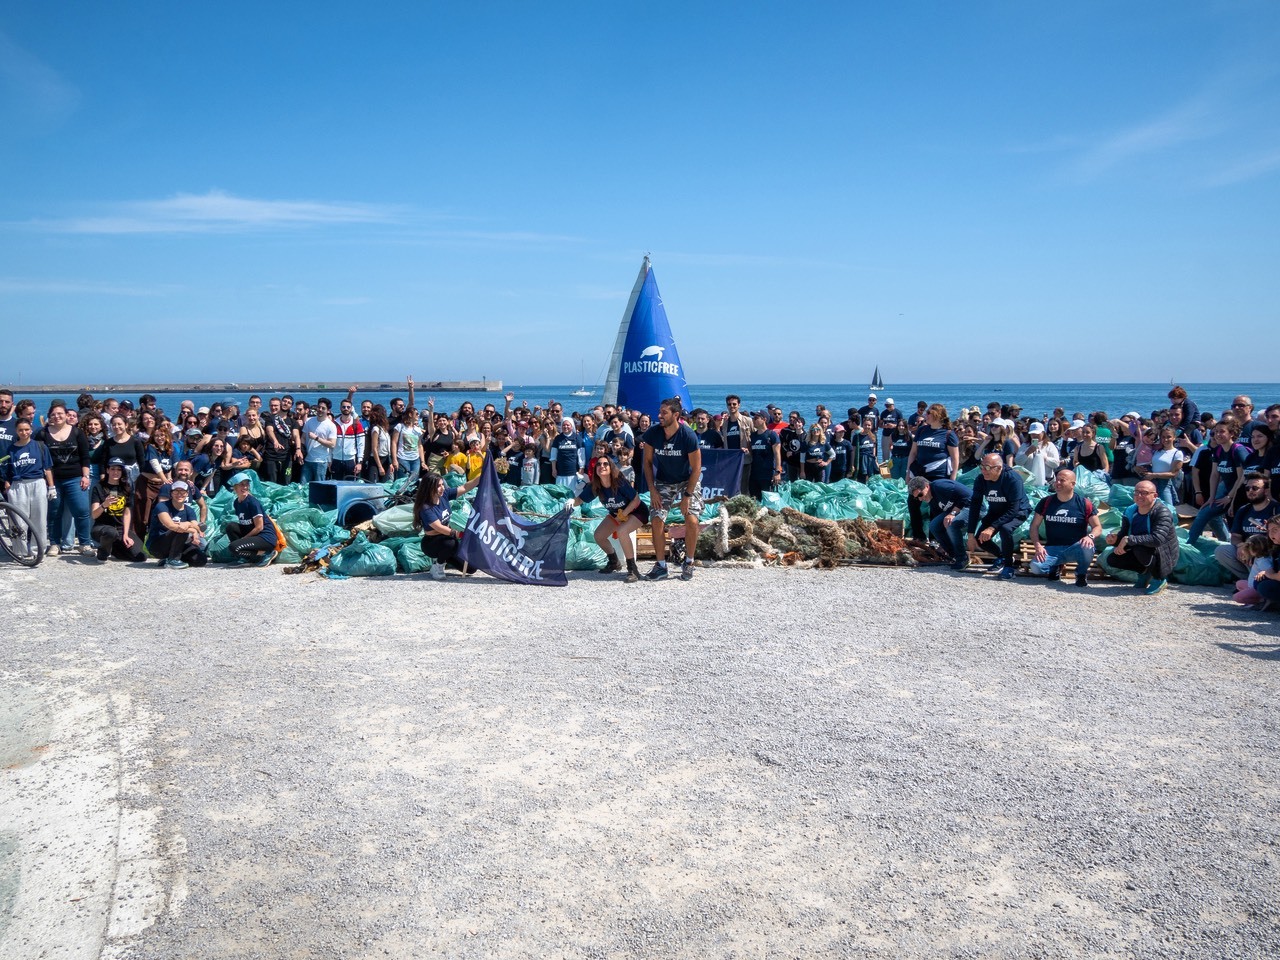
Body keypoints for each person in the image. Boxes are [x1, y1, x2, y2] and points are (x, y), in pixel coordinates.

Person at [641, 397, 703, 581]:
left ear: (676, 415)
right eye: (659, 412)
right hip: (664, 481)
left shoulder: (687, 435)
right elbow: (647, 462)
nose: (659, 415)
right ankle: (661, 565)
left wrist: (687, 496)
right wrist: (652, 490)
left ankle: (689, 562)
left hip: (687, 481)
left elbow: (697, 468)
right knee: (657, 519)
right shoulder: (653, 433)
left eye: (664, 412)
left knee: (691, 520)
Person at [564, 455, 650, 582]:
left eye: (605, 464)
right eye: (598, 464)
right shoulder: (596, 486)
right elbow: (581, 499)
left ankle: (633, 570)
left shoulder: (619, 481)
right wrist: (572, 501)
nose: (602, 466)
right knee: (599, 535)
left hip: (636, 511)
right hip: (617, 514)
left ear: (611, 467)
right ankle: (614, 562)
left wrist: (624, 514)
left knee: (622, 531)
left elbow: (636, 499)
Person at [1027, 466, 1103, 587]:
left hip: (1075, 547)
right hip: (1053, 548)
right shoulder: (1046, 502)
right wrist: (1038, 546)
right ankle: (1055, 566)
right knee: (1036, 568)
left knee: (1088, 547)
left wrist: (1090, 536)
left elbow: (1097, 527)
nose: (1058, 483)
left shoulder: (1084, 503)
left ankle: (1081, 574)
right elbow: (1034, 526)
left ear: (1072, 484)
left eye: (1062, 480)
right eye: (1057, 480)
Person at [35, 400, 93, 556]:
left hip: (76, 477)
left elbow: (85, 456)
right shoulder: (42, 433)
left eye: (60, 413)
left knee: (81, 510)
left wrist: (85, 476)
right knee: (54, 512)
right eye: (53, 414)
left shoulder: (77, 432)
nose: (57, 416)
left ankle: (84, 544)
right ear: (49, 417)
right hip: (53, 480)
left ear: (67, 415)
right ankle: (54, 543)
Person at [1102, 479, 1179, 595]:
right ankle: (1144, 573)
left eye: (1144, 493)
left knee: (1139, 548)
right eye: (1136, 492)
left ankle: (1159, 578)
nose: (1139, 496)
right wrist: (1115, 540)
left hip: (1163, 553)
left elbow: (1157, 539)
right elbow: (1124, 533)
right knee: (1113, 559)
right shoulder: (1130, 511)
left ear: (1155, 496)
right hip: (1141, 548)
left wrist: (1129, 539)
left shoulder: (1162, 512)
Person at [968, 452, 1031, 580]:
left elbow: (1014, 509)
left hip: (1018, 511)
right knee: (980, 538)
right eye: (982, 467)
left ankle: (1009, 566)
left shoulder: (1012, 479)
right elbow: (975, 506)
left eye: (987, 468)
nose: (983, 471)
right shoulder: (981, 480)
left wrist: (992, 528)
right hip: (996, 510)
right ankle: (1003, 557)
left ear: (998, 468)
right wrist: (970, 534)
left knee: (1005, 529)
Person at [1188, 421, 1248, 546]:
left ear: (1231, 434)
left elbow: (1242, 476)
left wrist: (1230, 497)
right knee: (1208, 512)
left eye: (1222, 431)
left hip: (1240, 493)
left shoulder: (1237, 450)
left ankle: (1190, 546)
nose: (1218, 435)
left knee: (1235, 525)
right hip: (1226, 489)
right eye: (1216, 432)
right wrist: (1211, 497)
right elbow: (1215, 475)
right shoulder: (1219, 450)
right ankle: (1222, 543)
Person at [412, 470, 482, 580]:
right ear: (429, 488)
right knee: (451, 543)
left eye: (442, 484)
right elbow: (439, 527)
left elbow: (465, 487)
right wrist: (460, 534)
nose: (442, 488)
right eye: (438, 486)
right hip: (431, 543)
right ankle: (438, 566)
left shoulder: (444, 495)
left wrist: (482, 475)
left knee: (471, 569)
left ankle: (445, 556)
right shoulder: (426, 508)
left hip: (447, 538)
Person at [906, 403, 960, 541]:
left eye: (929, 412)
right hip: (920, 473)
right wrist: (908, 473)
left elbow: (955, 458)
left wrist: (952, 478)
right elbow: (913, 453)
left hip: (939, 475)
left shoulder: (948, 434)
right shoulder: (922, 430)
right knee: (913, 502)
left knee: (935, 507)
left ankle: (934, 538)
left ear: (938, 415)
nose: (926, 415)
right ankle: (919, 535)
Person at [1, 419, 53, 557]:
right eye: (20, 430)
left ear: (30, 430)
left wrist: (51, 486)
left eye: (26, 429)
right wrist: (7, 483)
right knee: (17, 521)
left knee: (39, 520)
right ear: (16, 431)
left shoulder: (40, 446)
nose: (24, 432)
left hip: (37, 483)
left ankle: (38, 551)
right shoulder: (11, 449)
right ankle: (20, 551)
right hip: (18, 485)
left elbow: (47, 468)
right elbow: (7, 470)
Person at [1214, 473, 1279, 581]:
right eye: (1247, 488)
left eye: (1255, 488)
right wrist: (1241, 546)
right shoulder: (1243, 510)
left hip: (1269, 553)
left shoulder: (1276, 509)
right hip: (1248, 551)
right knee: (1221, 551)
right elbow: (1235, 536)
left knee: (1261, 557)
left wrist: (1257, 550)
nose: (1250, 491)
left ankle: (1261, 581)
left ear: (1266, 491)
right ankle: (1249, 579)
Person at [907, 476, 972, 571]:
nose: (920, 499)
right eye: (917, 498)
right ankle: (954, 555)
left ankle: (963, 557)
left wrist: (952, 513)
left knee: (952, 523)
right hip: (957, 509)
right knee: (934, 526)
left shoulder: (941, 486)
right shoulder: (932, 500)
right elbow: (941, 524)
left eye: (920, 495)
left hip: (971, 506)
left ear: (927, 486)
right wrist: (943, 544)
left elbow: (966, 497)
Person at [90, 458, 144, 561]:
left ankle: (114, 549)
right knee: (111, 532)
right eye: (113, 469)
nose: (116, 472)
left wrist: (126, 534)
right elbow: (94, 515)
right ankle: (103, 552)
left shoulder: (126, 487)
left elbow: (127, 514)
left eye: (119, 469)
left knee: (140, 557)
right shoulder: (99, 487)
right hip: (102, 527)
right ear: (107, 470)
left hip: (119, 528)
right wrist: (104, 505)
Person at [146, 480, 208, 569]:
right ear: (171, 493)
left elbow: (196, 526)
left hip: (178, 544)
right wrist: (191, 530)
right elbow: (170, 525)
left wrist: (188, 525)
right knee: (181, 530)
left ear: (187, 494)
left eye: (182, 491)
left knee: (201, 560)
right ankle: (173, 560)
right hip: (158, 545)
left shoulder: (189, 510)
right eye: (176, 491)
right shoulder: (162, 506)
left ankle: (168, 559)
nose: (179, 494)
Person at [223, 472, 279, 565]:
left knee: (233, 548)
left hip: (265, 537)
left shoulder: (252, 502)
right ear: (235, 487)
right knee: (231, 527)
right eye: (241, 485)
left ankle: (265, 554)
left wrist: (244, 538)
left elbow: (259, 527)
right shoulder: (237, 502)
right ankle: (248, 557)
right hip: (253, 535)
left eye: (246, 484)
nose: (245, 487)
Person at [1136, 425, 1187, 507]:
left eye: (1168, 437)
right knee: (1149, 508)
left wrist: (1153, 475)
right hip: (1151, 482)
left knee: (1168, 508)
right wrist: (1137, 468)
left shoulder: (1177, 453)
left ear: (1174, 437)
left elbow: (1173, 474)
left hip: (1164, 484)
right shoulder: (1156, 450)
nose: (1165, 439)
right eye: (1163, 437)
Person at [746, 411, 782, 499]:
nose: (753, 420)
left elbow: (777, 454)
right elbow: (752, 452)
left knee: (768, 499)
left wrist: (777, 472)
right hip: (754, 474)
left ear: (764, 419)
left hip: (768, 474)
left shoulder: (771, 435)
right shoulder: (753, 436)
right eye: (753, 418)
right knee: (754, 499)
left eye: (756, 418)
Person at [721, 395, 753, 492]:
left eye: (734, 404)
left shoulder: (748, 421)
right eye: (729, 404)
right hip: (731, 460)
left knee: (744, 488)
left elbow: (755, 438)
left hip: (745, 460)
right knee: (732, 486)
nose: (732, 406)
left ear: (739, 405)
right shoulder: (725, 423)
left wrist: (749, 449)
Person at [261, 397, 295, 485]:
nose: (273, 407)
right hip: (271, 455)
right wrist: (275, 441)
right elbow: (269, 431)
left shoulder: (291, 420)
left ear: (280, 406)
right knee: (271, 483)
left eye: (276, 405)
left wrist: (298, 448)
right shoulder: (269, 418)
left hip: (286, 456)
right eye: (271, 405)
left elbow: (296, 435)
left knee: (285, 482)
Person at [1016, 422, 1060, 487]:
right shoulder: (1025, 445)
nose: (1035, 435)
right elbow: (1018, 462)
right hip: (1029, 481)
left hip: (1047, 481)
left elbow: (1056, 464)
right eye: (1032, 434)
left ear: (1043, 433)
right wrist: (1027, 452)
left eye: (1037, 434)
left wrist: (1045, 458)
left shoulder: (1049, 445)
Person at [331, 399, 366, 481]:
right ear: (340, 408)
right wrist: (329, 460)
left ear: (351, 409)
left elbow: (361, 444)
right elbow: (330, 444)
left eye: (348, 407)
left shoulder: (356, 424)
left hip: (350, 460)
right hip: (336, 460)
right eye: (343, 407)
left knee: (350, 485)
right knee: (335, 485)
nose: (346, 408)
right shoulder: (333, 424)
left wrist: (359, 462)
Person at [550, 417, 585, 490]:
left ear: (572, 426)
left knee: (573, 495)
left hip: (573, 472)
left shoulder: (577, 438)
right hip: (560, 472)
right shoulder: (558, 438)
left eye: (568, 425)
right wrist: (553, 469)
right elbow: (553, 455)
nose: (565, 427)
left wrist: (581, 467)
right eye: (564, 425)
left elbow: (581, 454)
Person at [361, 404, 393, 483]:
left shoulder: (384, 429)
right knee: (374, 483)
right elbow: (374, 449)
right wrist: (379, 466)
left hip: (386, 459)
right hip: (376, 460)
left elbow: (387, 448)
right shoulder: (376, 429)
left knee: (385, 484)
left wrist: (390, 463)